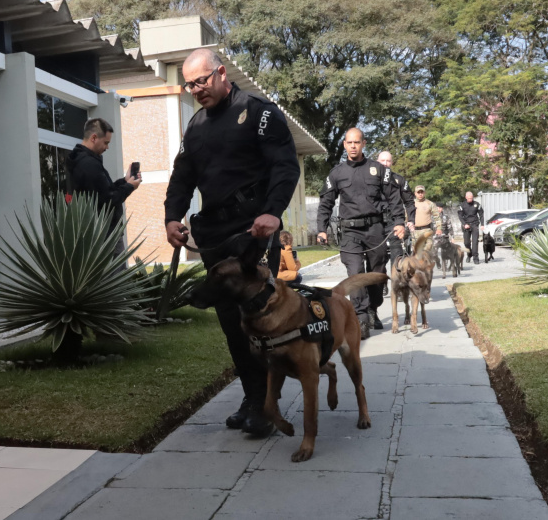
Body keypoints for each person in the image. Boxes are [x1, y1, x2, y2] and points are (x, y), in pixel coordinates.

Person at [164, 48, 300, 438]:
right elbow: (181, 176)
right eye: (189, 84)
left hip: (253, 232)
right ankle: (253, 395)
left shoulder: (259, 113)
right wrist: (173, 217)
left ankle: (265, 403)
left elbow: (285, 166)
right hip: (215, 234)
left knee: (260, 319)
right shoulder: (196, 126)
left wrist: (274, 212)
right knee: (230, 323)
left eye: (201, 81)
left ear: (221, 73)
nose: (195, 90)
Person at [316, 128, 406, 339]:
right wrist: (321, 229)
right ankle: (361, 318)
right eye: (349, 142)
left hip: (376, 229)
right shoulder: (337, 173)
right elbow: (326, 203)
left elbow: (393, 197)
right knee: (356, 273)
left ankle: (373, 308)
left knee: (376, 274)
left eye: (357, 142)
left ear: (364, 143)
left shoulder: (378, 170)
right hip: (349, 231)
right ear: (344, 145)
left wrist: (399, 222)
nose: (353, 146)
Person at [67, 118, 141, 261]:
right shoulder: (89, 164)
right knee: (115, 279)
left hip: (94, 234)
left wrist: (124, 181)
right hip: (104, 235)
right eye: (106, 143)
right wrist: (129, 187)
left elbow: (101, 192)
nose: (107, 147)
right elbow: (108, 199)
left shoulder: (79, 160)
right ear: (94, 138)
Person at [376, 151, 415, 304]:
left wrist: (410, 220)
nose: (385, 163)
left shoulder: (399, 180)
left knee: (396, 256)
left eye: (388, 161)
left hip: (395, 222)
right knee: (378, 258)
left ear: (392, 163)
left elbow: (409, 202)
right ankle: (381, 283)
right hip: (376, 223)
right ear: (377, 161)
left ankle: (397, 287)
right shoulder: (370, 180)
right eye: (382, 160)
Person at [412, 185, 442, 253]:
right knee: (416, 252)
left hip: (427, 230)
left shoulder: (430, 203)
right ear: (415, 193)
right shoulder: (411, 204)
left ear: (424, 193)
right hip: (415, 231)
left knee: (427, 250)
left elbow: (437, 217)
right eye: (418, 192)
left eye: (422, 192)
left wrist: (439, 228)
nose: (420, 194)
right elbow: (406, 217)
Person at [458, 191, 484, 264]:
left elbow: (481, 215)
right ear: (466, 197)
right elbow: (460, 216)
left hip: (474, 224)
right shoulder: (462, 205)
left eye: (471, 198)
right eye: (469, 198)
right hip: (466, 225)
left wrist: (482, 224)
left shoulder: (477, 204)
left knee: (475, 242)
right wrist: (464, 224)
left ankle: (476, 258)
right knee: (466, 243)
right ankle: (469, 255)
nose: (470, 200)